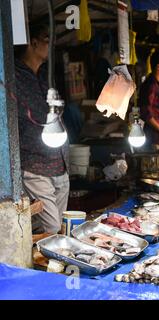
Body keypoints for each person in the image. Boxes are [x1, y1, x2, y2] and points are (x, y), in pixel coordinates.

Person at [14, 24, 70, 234]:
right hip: (35, 164)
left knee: (60, 226)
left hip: (59, 162)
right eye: (47, 39)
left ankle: (50, 264)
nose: (51, 45)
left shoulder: (46, 75)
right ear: (32, 42)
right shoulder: (13, 76)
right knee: (52, 227)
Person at [138, 50, 159, 150]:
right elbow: (145, 113)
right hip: (153, 138)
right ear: (158, 67)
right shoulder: (151, 85)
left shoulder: (158, 85)